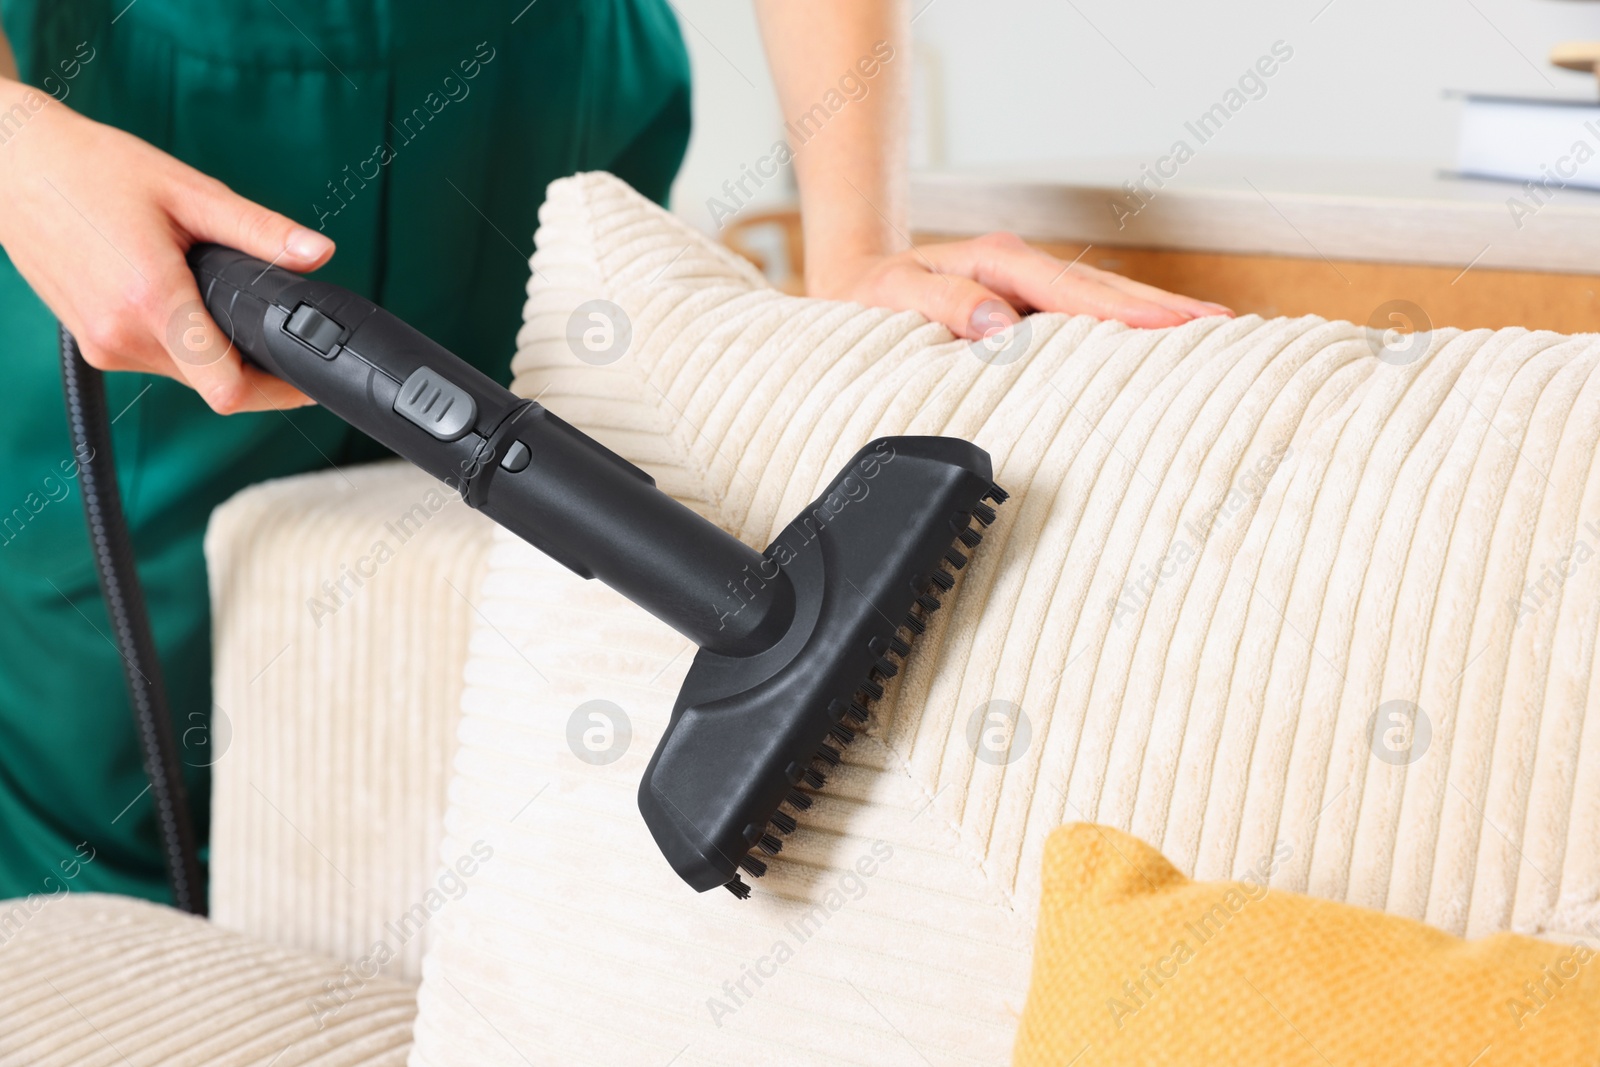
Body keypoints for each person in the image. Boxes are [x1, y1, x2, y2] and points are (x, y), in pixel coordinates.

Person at [0, 0, 1229, 904]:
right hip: (123, 103)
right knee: (110, 766)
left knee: (522, 687)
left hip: (544, 82)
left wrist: (853, 240)